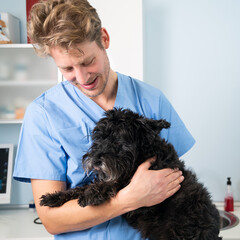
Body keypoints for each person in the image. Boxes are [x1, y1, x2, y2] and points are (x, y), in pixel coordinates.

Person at [12, 0, 195, 239]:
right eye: (67, 69)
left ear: (104, 39)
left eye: (88, 61)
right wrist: (128, 200)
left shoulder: (151, 100)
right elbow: (51, 219)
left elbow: (172, 185)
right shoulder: (43, 114)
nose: (82, 77)